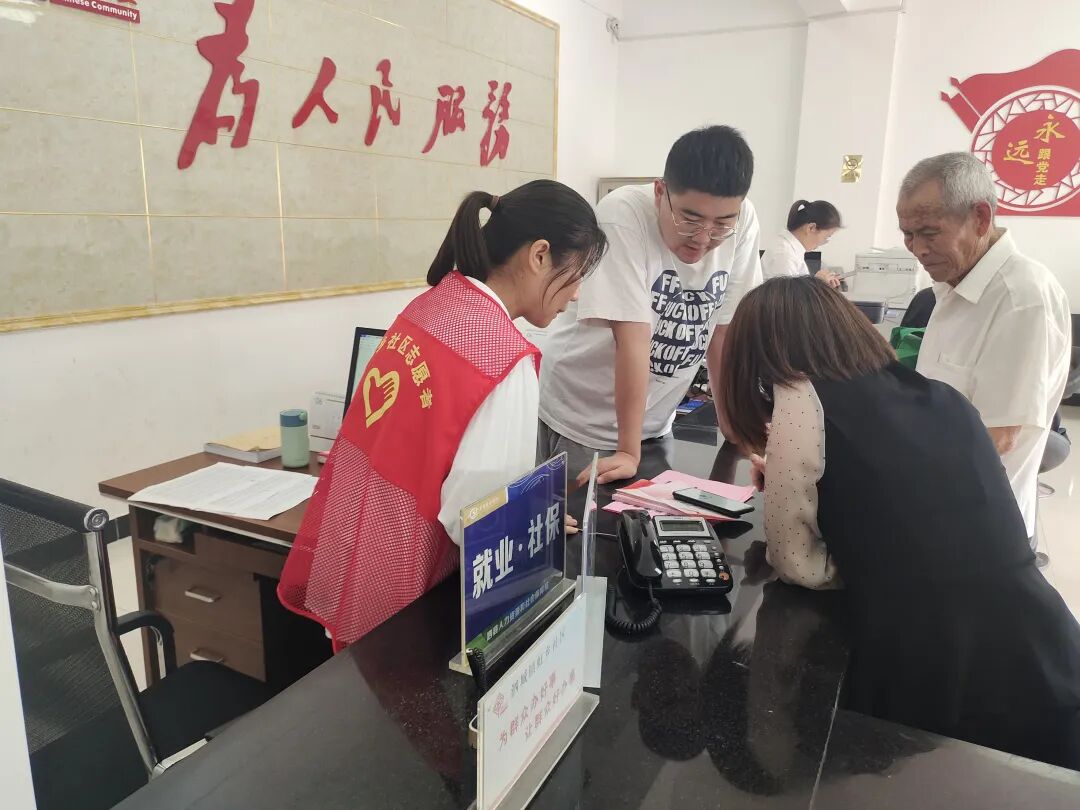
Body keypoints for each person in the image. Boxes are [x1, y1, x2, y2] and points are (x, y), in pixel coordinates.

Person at [717, 276, 1080, 770]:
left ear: (758, 353)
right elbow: (918, 503)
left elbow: (798, 564)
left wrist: (870, 561)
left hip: (930, 657)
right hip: (1037, 637)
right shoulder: (941, 396)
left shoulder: (800, 397)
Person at [277, 180, 608, 649]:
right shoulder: (505, 361)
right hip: (407, 592)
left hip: (358, 553)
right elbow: (479, 521)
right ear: (539, 255)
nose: (574, 295)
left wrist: (535, 510)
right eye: (575, 275)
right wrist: (533, 524)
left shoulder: (432, 306)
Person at [538, 126, 763, 485]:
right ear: (661, 192)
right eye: (690, 219)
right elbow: (632, 338)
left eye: (722, 224)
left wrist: (731, 423)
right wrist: (628, 451)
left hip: (656, 423)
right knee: (581, 519)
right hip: (583, 419)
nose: (703, 238)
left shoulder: (744, 219)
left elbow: (724, 331)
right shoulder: (622, 213)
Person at [897, 152, 1071, 541]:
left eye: (929, 232)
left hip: (977, 525)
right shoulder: (951, 286)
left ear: (980, 218)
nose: (917, 249)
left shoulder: (1020, 299)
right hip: (937, 507)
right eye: (908, 234)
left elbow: (998, 438)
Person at [761, 199, 842, 288]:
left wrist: (818, 283)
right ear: (811, 228)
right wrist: (816, 283)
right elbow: (787, 295)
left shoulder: (791, 250)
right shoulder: (784, 255)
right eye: (826, 237)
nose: (823, 243)